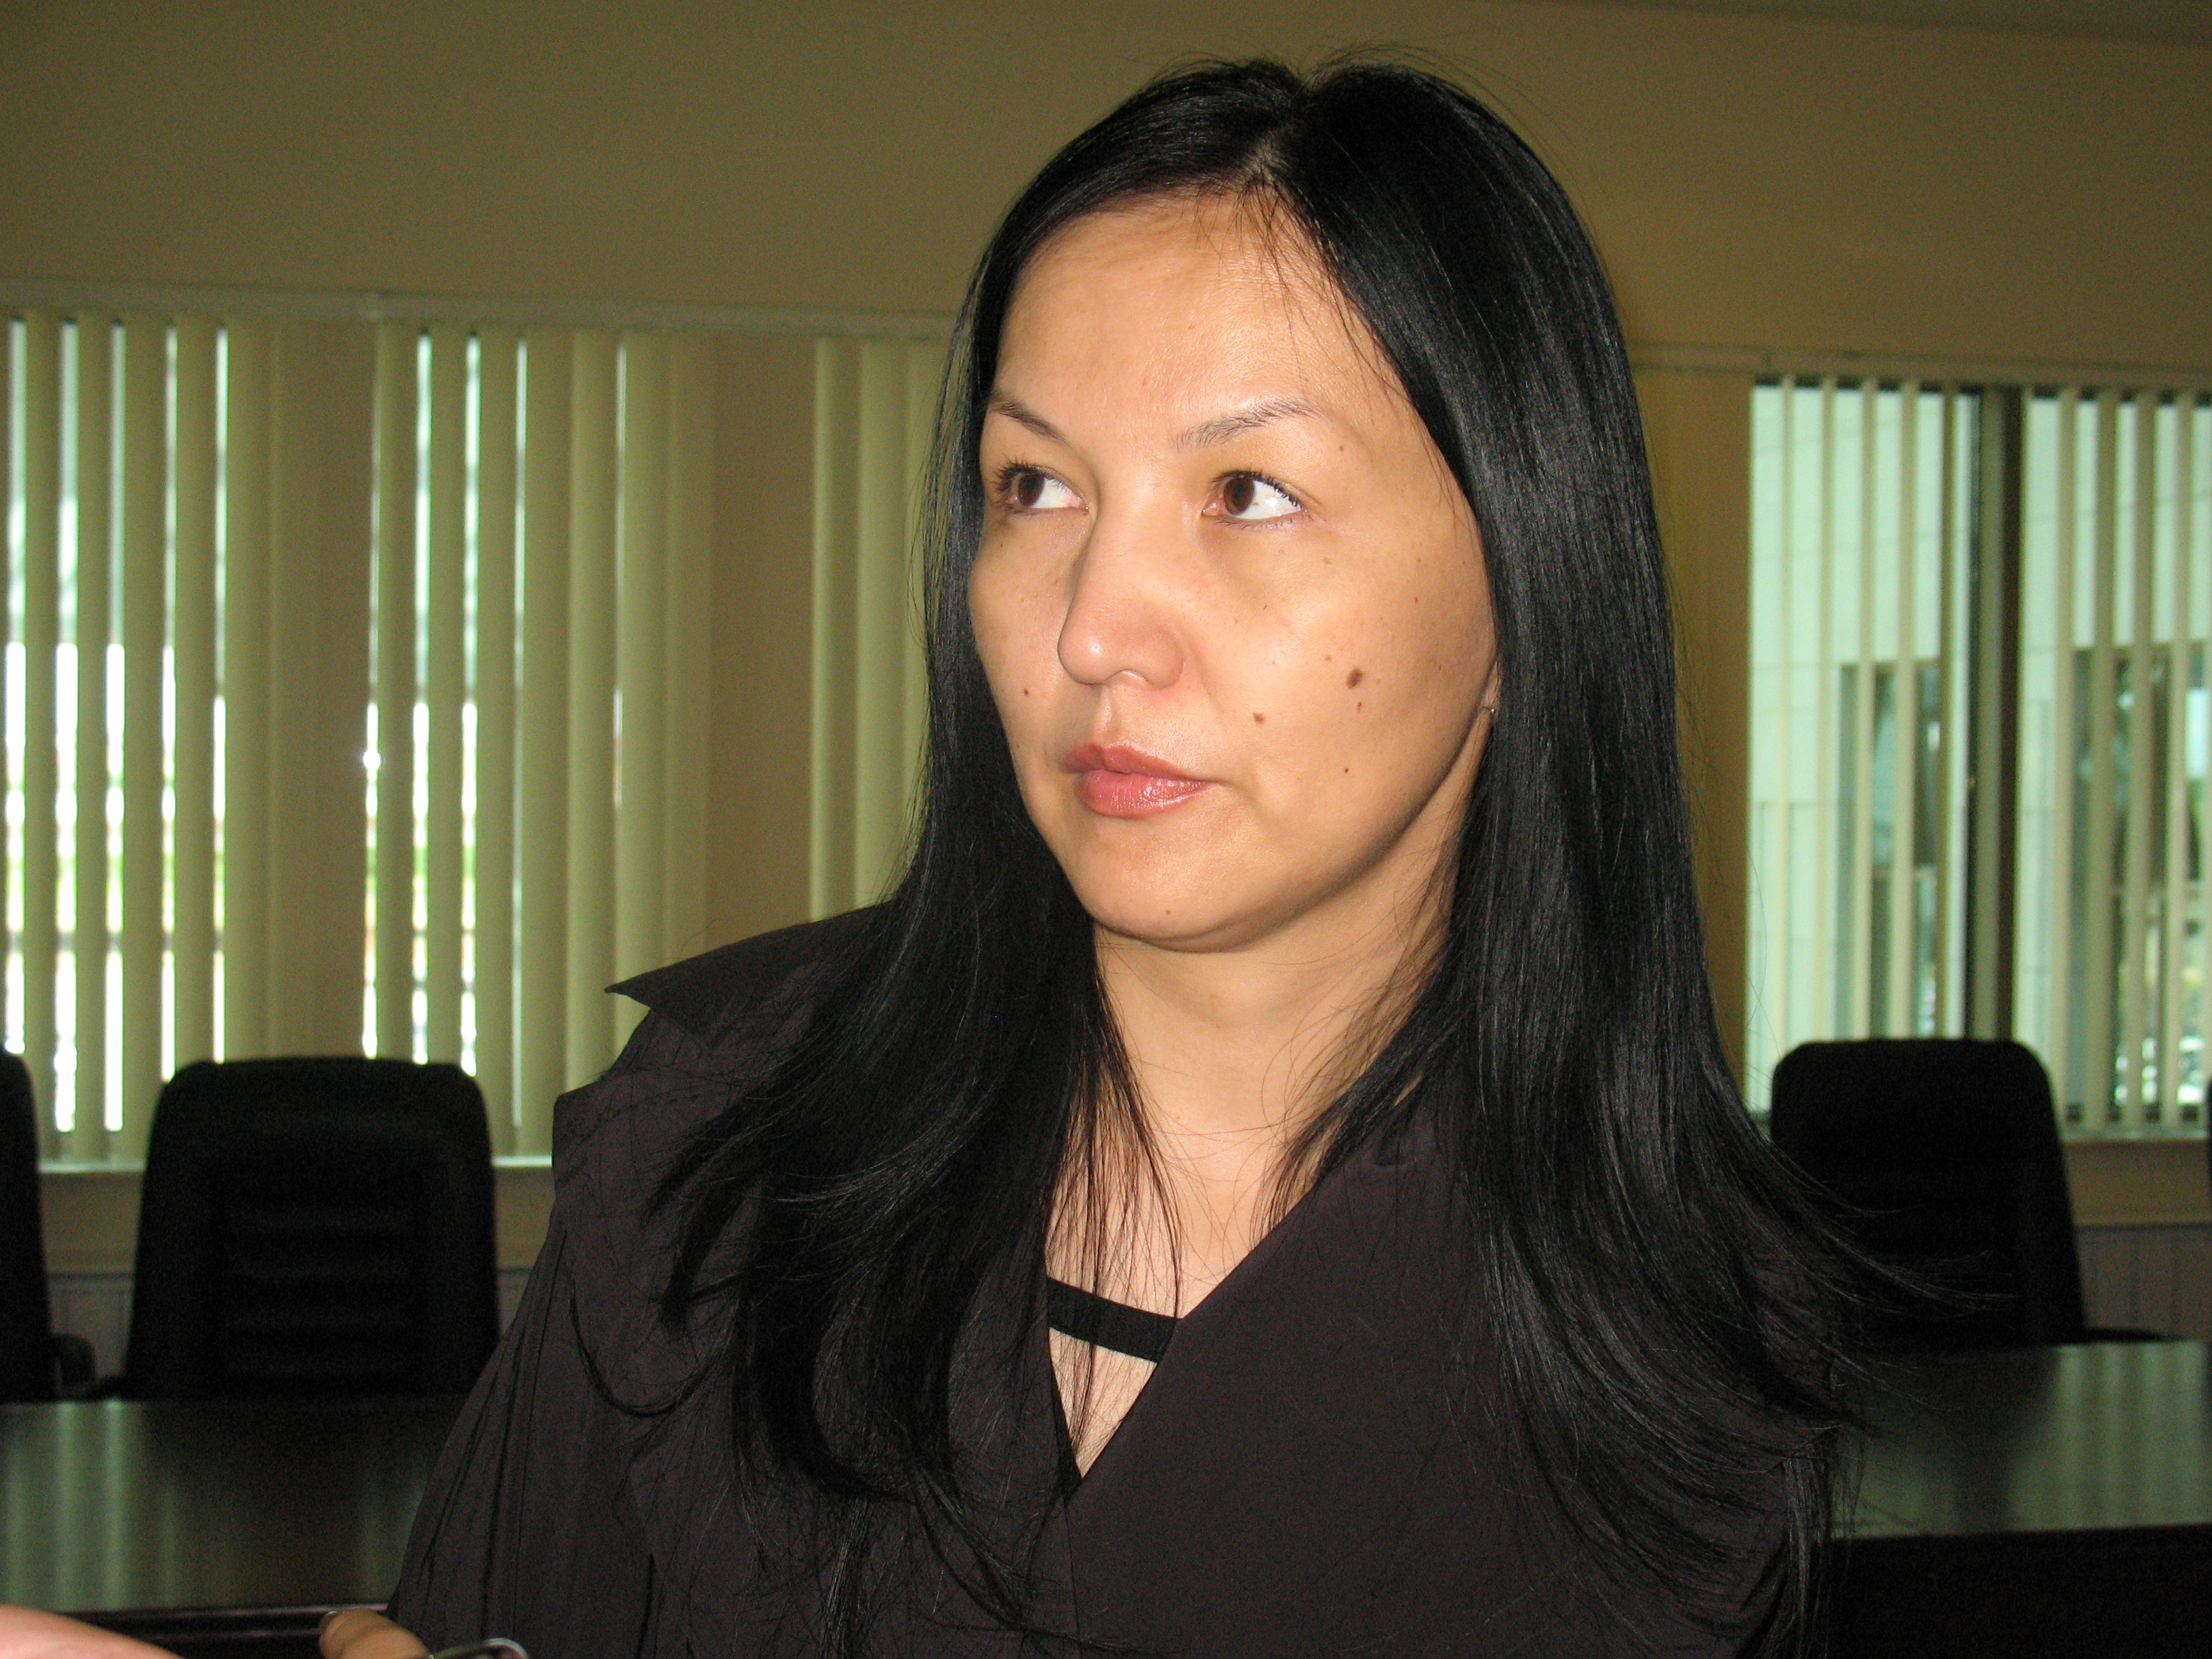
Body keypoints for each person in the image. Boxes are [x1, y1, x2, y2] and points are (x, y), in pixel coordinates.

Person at [1, 54, 1846, 1659]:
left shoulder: (1685, 1344)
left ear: (1530, 582)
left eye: (1249, 493)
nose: (1091, 625)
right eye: (1035, 487)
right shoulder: (721, 1148)